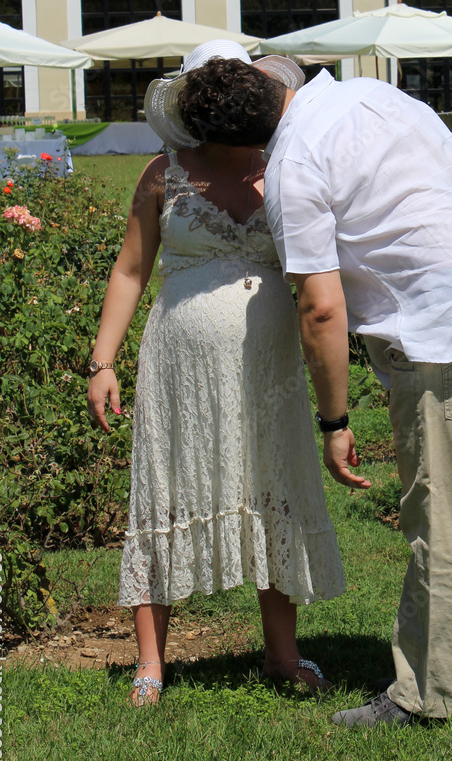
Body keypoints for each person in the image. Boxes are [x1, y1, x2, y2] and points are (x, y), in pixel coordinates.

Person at [177, 51, 452, 727]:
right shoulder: (371, 94)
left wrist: (333, 421)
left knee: (439, 515)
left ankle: (424, 699)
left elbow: (320, 309)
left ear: (233, 142)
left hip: (445, 327)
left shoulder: (292, 167)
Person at [87, 41, 345, 706]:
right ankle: (150, 662)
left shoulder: (286, 169)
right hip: (180, 364)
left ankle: (281, 655)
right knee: (166, 492)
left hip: (271, 369)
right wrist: (102, 360)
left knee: (273, 488)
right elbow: (130, 270)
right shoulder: (162, 174)